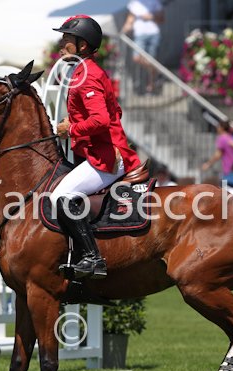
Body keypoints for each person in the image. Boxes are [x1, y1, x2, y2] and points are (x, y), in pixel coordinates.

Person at [52, 15, 142, 280]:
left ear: (82, 45)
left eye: (67, 38)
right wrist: (77, 122)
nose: (61, 43)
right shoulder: (85, 71)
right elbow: (114, 112)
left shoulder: (88, 75)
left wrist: (71, 129)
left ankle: (92, 258)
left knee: (61, 196)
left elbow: (101, 120)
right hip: (99, 153)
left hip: (107, 157)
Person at [121, 0, 164, 94]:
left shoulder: (155, 2)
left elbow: (162, 19)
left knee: (151, 60)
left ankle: (151, 84)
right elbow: (130, 19)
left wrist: (151, 17)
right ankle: (157, 72)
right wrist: (123, 31)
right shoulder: (134, 3)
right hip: (139, 34)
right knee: (136, 57)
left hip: (153, 33)